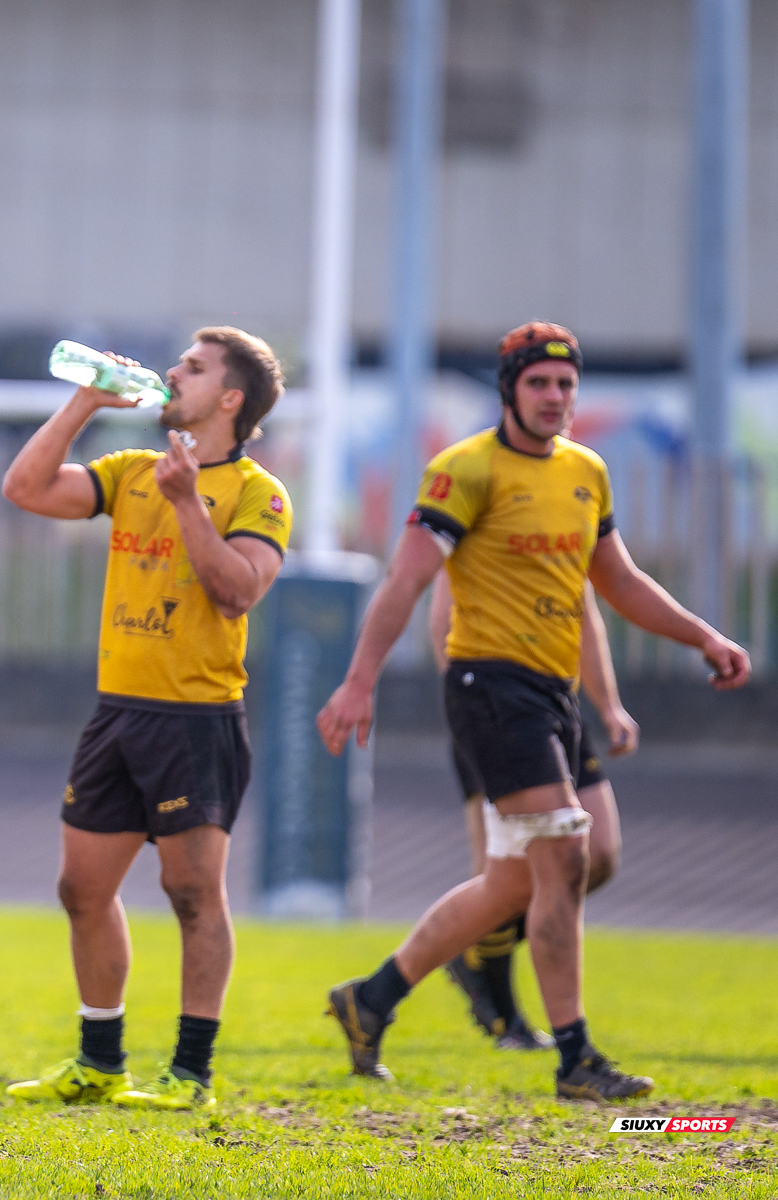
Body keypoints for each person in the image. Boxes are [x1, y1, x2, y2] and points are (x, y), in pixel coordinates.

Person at [317, 322, 749, 1101]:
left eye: (566, 385)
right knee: (564, 858)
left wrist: (704, 636)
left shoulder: (587, 471)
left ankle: (370, 998)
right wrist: (358, 682)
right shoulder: (464, 469)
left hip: (553, 693)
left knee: (543, 872)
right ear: (509, 390)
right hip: (490, 687)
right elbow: (406, 581)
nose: (555, 397)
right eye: (539, 383)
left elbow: (617, 584)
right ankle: (576, 1058)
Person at [0, 328, 291, 1112]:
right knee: (81, 888)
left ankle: (190, 1073)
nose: (172, 374)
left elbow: (238, 591)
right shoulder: (133, 469)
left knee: (192, 893)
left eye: (194, 368)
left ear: (230, 399)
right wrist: (85, 402)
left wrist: (188, 501)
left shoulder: (258, 493)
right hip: (117, 713)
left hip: (196, 719)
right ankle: (101, 1061)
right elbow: (25, 488)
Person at [432, 573, 637, 1050]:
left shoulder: (575, 528)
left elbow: (587, 609)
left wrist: (608, 704)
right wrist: (470, 706)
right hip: (493, 706)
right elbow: (441, 613)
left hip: (554, 702)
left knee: (597, 856)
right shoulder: (482, 527)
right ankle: (507, 1020)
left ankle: (470, 947)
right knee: (501, 873)